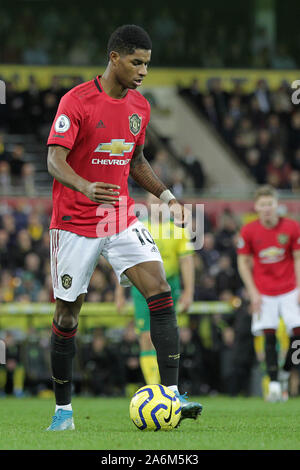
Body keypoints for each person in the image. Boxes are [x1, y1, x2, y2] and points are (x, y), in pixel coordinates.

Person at [45, 24, 202, 431]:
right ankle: (63, 411)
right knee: (66, 316)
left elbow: (137, 162)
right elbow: (54, 160)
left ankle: (171, 395)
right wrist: (84, 185)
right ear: (114, 57)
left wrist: (167, 197)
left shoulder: (139, 107)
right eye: (137, 62)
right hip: (74, 222)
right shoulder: (76, 101)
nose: (144, 71)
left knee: (160, 289)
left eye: (147, 64)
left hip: (119, 216)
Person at [115, 193, 195, 386]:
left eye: (161, 202)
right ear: (147, 205)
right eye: (153, 202)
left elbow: (186, 261)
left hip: (170, 286)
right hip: (141, 287)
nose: (157, 205)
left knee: (167, 335)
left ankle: (167, 385)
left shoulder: (177, 230)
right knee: (145, 336)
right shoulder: (137, 228)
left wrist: (189, 292)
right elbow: (123, 260)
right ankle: (153, 386)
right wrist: (119, 293)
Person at [237, 184, 300, 402]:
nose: (266, 209)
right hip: (264, 291)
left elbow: (298, 258)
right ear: (256, 207)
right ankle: (273, 382)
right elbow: (243, 262)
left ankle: (285, 370)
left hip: (290, 288)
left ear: (277, 205)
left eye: (270, 204)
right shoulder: (248, 231)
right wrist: (253, 292)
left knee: (298, 333)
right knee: (268, 334)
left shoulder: (292, 227)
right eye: (262, 205)